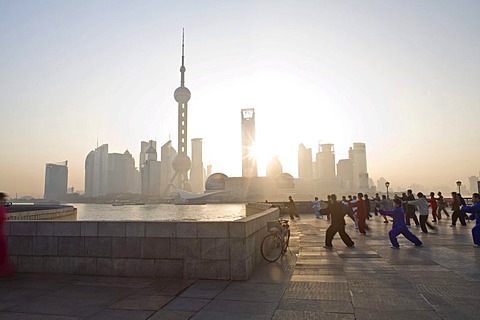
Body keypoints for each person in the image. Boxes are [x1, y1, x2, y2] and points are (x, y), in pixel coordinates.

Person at [0, 192, 14, 276]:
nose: (5, 201)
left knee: (2, 253)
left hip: (1, 235)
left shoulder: (2, 209)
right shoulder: (1, 209)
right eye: (3, 199)